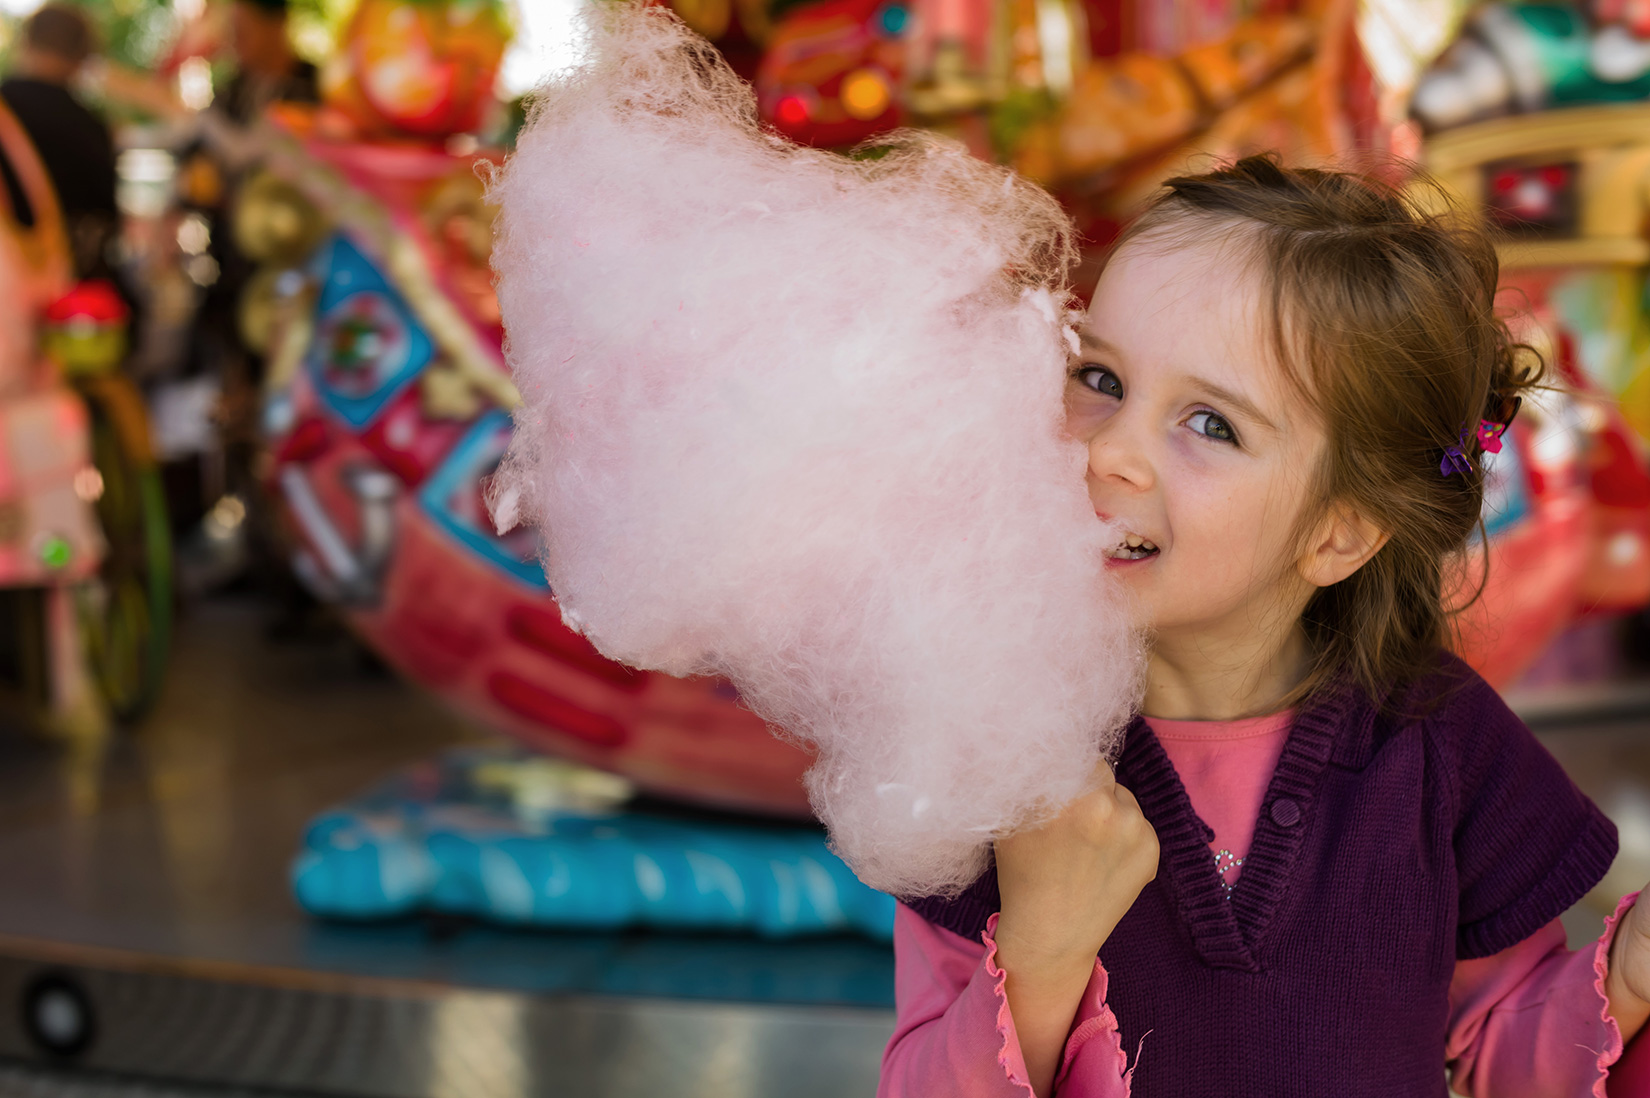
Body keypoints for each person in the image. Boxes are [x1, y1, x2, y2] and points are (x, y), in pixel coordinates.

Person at [881, 155, 1650, 1096]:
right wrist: (1042, 946)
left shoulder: (1443, 751)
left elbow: (1505, 1062)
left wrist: (1626, 977)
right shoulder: (994, 753)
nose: (1110, 451)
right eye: (1101, 376)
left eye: (1210, 424)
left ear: (1339, 533)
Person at [0, 3, 117, 279]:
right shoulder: (92, 127)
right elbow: (103, 226)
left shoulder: (5, 110)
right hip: (71, 298)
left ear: (27, 43)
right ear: (81, 57)